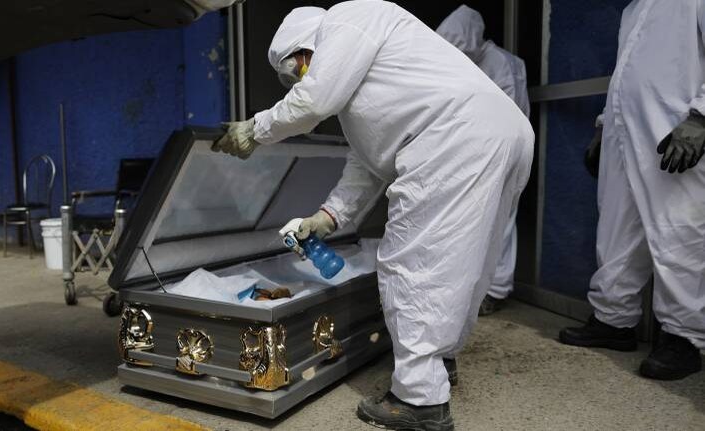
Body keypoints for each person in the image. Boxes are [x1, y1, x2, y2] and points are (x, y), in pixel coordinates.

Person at [214, 1, 533, 429]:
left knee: (411, 266)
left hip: (454, 137)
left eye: (299, 68)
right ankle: (437, 364)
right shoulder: (377, 86)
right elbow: (365, 166)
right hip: (501, 132)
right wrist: (327, 217)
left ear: (310, 44)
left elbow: (313, 102)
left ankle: (419, 399)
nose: (300, 80)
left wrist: (256, 128)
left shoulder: (347, 18)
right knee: (464, 266)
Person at [560, 0, 705, 381]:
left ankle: (684, 338)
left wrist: (701, 117)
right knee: (616, 231)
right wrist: (603, 126)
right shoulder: (633, 10)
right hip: (624, 135)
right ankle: (614, 319)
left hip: (674, 133)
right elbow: (626, 74)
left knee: (678, 233)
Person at [436, 5, 531, 316]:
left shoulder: (502, 63)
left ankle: (497, 290)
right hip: (474, 157)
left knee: (500, 223)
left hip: (504, 155)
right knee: (472, 225)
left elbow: (510, 116)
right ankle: (471, 290)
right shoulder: (464, 63)